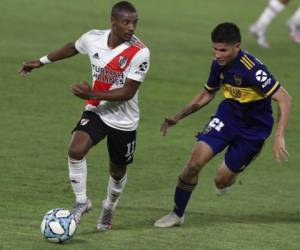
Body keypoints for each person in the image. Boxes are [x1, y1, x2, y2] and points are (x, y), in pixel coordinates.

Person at [18, 1, 150, 231]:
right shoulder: (94, 38)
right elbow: (73, 47)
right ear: (113, 22)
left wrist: (91, 92)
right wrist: (40, 62)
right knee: (75, 150)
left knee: (117, 171)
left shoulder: (140, 52)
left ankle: (109, 206)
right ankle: (81, 202)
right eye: (126, 22)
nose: (131, 27)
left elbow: (128, 93)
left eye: (134, 22)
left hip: (124, 119)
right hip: (97, 110)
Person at [154, 22, 291, 228]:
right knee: (193, 164)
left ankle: (235, 170)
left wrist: (279, 135)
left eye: (223, 50)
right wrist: (179, 115)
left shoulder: (252, 69)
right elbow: (208, 92)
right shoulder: (218, 64)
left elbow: (284, 98)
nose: (218, 55)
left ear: (237, 46)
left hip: (254, 129)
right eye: (215, 49)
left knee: (221, 181)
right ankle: (177, 214)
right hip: (228, 117)